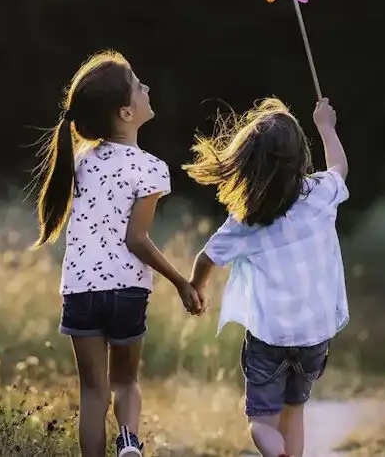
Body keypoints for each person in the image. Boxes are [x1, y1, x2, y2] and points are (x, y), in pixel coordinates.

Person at [32, 50, 202, 457]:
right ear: (126, 113)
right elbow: (136, 240)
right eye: (138, 86)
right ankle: (128, 440)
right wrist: (181, 282)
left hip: (79, 290)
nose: (147, 88)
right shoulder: (151, 168)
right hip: (126, 290)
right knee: (126, 382)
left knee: (93, 391)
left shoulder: (79, 162)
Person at [183, 97, 350, 457]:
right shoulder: (320, 195)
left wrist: (196, 286)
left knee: (261, 422)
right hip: (313, 335)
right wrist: (326, 128)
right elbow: (339, 166)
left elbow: (207, 257)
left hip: (268, 338)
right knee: (295, 413)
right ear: (301, 157)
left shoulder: (247, 220)